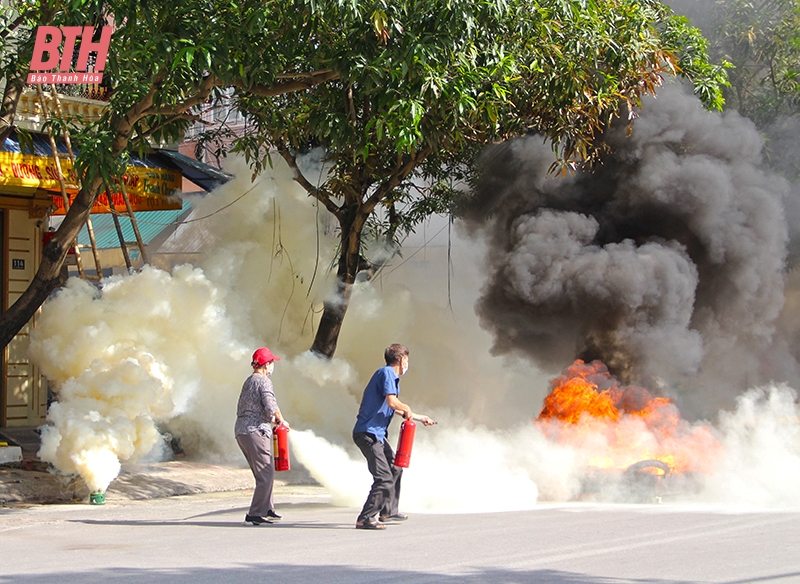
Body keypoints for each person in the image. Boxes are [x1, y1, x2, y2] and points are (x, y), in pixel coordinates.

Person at [352, 343, 435, 530]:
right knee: (383, 477)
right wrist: (406, 408)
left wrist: (420, 418)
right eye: (407, 359)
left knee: (396, 467)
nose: (407, 363)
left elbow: (392, 406)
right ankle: (365, 518)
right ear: (401, 359)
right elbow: (393, 402)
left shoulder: (388, 377)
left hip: (377, 434)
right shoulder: (387, 373)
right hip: (368, 433)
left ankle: (388, 510)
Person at [235, 347, 289, 526]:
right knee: (265, 473)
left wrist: (271, 419)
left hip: (243, 431)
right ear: (266, 365)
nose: (273, 366)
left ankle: (267, 508)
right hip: (256, 431)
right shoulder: (264, 381)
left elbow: (253, 407)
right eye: (272, 362)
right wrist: (282, 420)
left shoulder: (249, 380)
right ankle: (255, 513)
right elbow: (271, 404)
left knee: (266, 471)